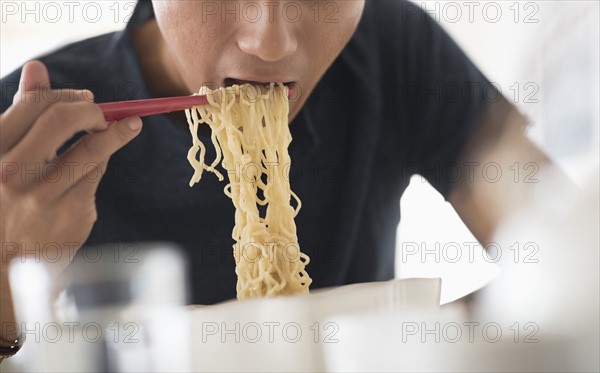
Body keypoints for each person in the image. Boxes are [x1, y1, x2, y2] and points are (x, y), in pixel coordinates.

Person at [0, 0, 551, 360]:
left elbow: (564, 253)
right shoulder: (20, 139)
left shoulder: (394, 48)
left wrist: (406, 344)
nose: (271, 42)